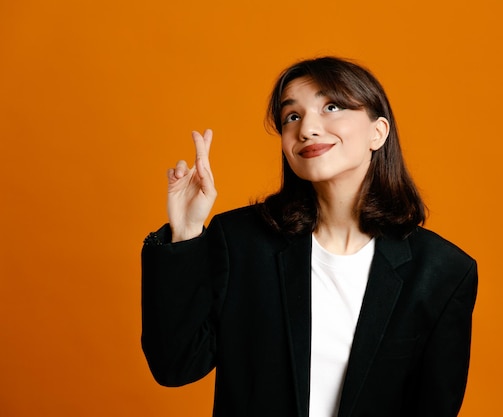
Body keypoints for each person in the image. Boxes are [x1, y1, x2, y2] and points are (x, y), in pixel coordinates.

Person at [141, 56, 478, 417]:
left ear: (377, 132)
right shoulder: (242, 242)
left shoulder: (443, 273)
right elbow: (175, 365)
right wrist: (187, 233)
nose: (307, 129)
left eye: (331, 106)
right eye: (292, 116)